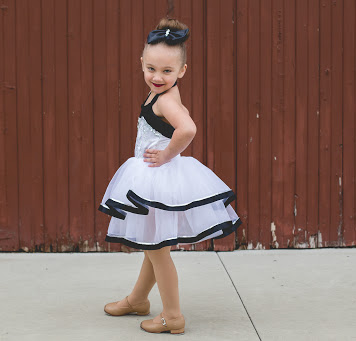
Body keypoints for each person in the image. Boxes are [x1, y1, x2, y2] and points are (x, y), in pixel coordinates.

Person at [98, 17, 241, 335]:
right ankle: (137, 299)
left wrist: (166, 154)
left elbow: (187, 128)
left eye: (166, 71)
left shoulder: (165, 100)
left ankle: (172, 316)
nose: (157, 77)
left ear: (182, 71)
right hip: (151, 177)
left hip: (156, 179)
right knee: (154, 245)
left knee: (157, 251)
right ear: (142, 63)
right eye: (151, 69)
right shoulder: (158, 95)